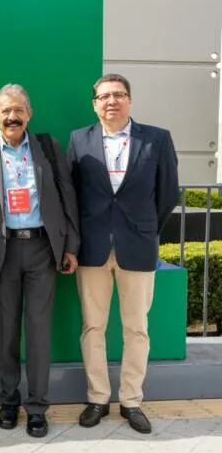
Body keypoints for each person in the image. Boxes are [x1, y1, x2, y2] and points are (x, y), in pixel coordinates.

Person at [0, 84, 80, 438]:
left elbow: (67, 194)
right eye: (5, 111)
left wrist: (71, 245)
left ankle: (37, 406)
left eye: (19, 110)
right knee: (4, 331)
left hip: (43, 249)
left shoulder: (48, 147)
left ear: (29, 114)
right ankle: (8, 400)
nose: (12, 116)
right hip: (3, 253)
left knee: (39, 330)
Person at [67, 73, 179, 434]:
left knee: (137, 328)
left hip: (138, 246)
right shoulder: (79, 140)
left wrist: (144, 227)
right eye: (104, 96)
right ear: (94, 104)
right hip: (92, 247)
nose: (111, 101)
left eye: (118, 95)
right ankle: (97, 398)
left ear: (130, 100)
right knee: (93, 326)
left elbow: (168, 193)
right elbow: (72, 193)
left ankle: (131, 401)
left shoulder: (157, 139)